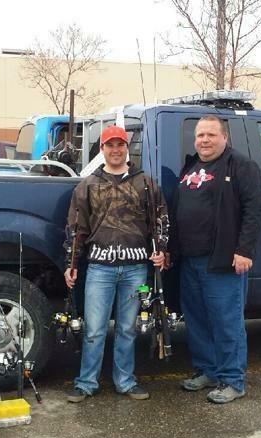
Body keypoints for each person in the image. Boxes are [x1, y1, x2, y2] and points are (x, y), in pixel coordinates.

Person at [63, 125, 168, 403]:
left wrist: (162, 252)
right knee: (94, 329)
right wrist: (71, 263)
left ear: (127, 148)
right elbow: (76, 229)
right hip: (99, 269)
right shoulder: (87, 186)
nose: (115, 150)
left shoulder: (146, 182)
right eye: (110, 145)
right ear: (102, 149)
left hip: (136, 270)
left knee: (127, 329)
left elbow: (160, 221)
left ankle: (125, 381)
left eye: (120, 144)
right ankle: (86, 383)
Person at [173, 115, 261, 404]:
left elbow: (255, 210)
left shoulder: (241, 166)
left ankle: (232, 380)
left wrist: (244, 250)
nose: (204, 140)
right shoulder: (191, 166)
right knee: (197, 319)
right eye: (200, 135)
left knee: (226, 322)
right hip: (190, 259)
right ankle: (207, 371)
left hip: (222, 260)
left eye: (211, 135)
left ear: (224, 137)